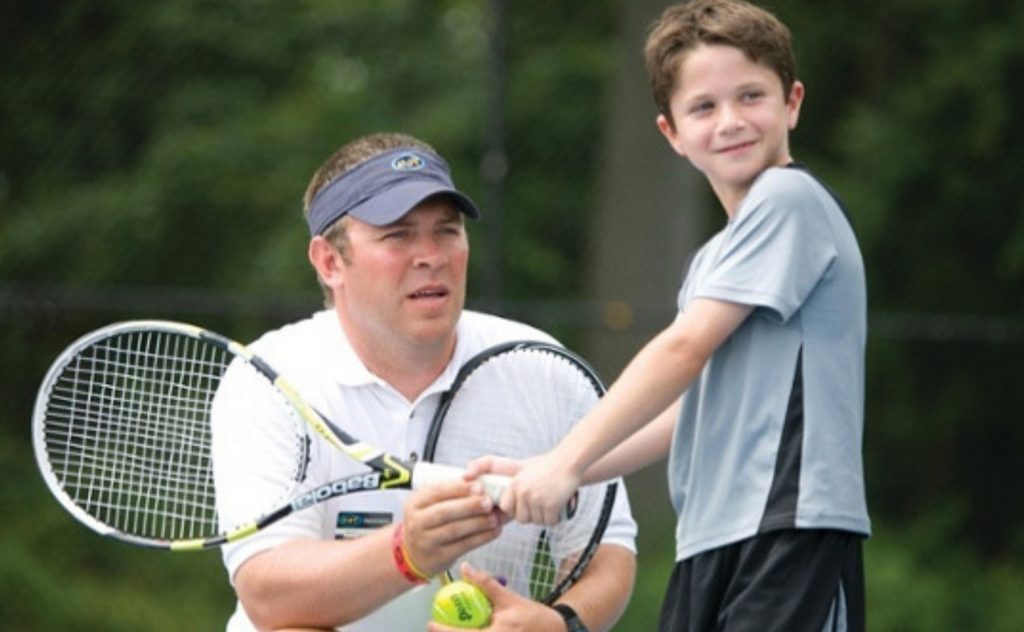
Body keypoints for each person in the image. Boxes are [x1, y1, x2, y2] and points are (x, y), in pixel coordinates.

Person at [470, 1, 871, 630]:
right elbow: (690, 409)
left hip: (790, 529)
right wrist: (553, 468)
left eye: (751, 96)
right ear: (672, 133)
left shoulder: (789, 201)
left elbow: (682, 351)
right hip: (713, 536)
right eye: (704, 107)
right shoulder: (716, 258)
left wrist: (566, 463)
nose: (731, 121)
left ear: (792, 102)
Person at [210, 132, 637, 632]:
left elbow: (607, 548)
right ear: (329, 262)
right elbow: (269, 594)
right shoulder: (270, 378)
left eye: (447, 231)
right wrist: (404, 553)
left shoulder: (544, 368)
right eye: (398, 235)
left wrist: (560, 625)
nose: (431, 255)